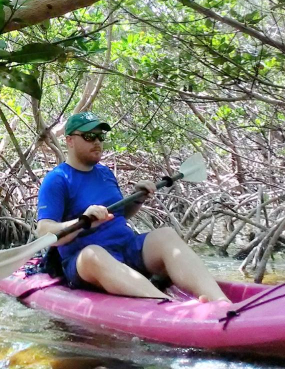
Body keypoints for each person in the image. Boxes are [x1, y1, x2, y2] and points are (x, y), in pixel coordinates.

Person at [36, 111, 229, 302]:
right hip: (85, 262)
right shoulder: (57, 179)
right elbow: (44, 232)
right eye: (88, 136)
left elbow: (120, 215)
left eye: (100, 136)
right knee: (92, 254)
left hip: (126, 248)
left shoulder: (104, 173)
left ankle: (220, 302)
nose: (96, 142)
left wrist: (138, 199)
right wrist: (82, 222)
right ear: (70, 141)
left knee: (167, 235)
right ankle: (167, 307)